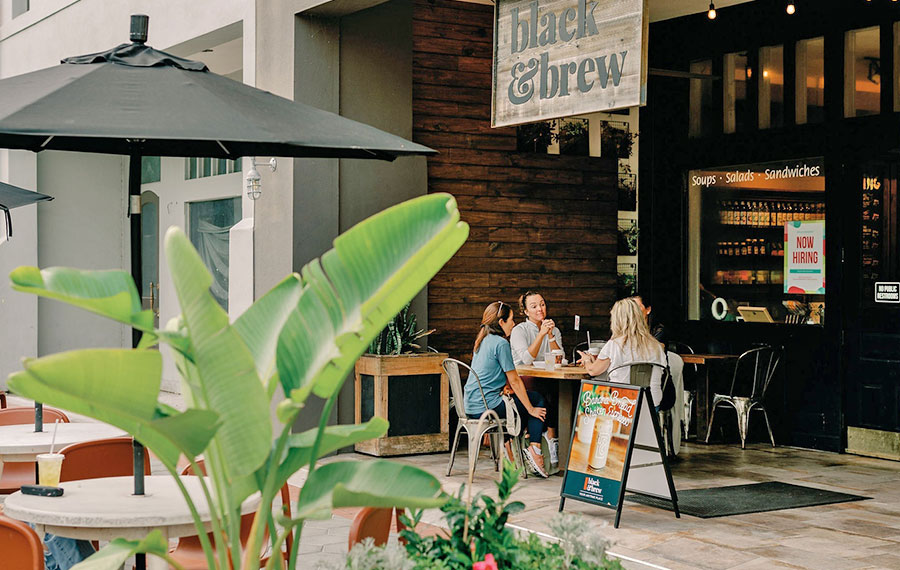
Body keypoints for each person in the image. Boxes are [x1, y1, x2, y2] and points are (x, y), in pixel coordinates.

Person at [465, 301, 551, 477]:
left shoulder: (481, 340)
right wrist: (531, 409)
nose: (514, 323)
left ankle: (512, 446)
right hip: (488, 407)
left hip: (470, 405)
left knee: (526, 403)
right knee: (537, 401)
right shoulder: (501, 343)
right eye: (511, 319)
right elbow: (515, 381)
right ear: (501, 322)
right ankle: (534, 450)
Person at [577, 297, 667, 406]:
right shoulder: (656, 346)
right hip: (651, 403)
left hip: (621, 405)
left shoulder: (614, 344)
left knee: (588, 399)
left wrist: (587, 360)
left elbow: (593, 371)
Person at [508, 290, 560, 462]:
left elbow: (560, 358)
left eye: (542, 304)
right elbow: (526, 359)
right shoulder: (519, 330)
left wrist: (551, 335)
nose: (540, 309)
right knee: (548, 388)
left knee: (559, 387)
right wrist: (541, 335)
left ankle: (551, 437)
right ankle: (549, 435)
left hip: (546, 378)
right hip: (521, 379)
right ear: (525, 312)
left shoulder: (553, 329)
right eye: (534, 306)